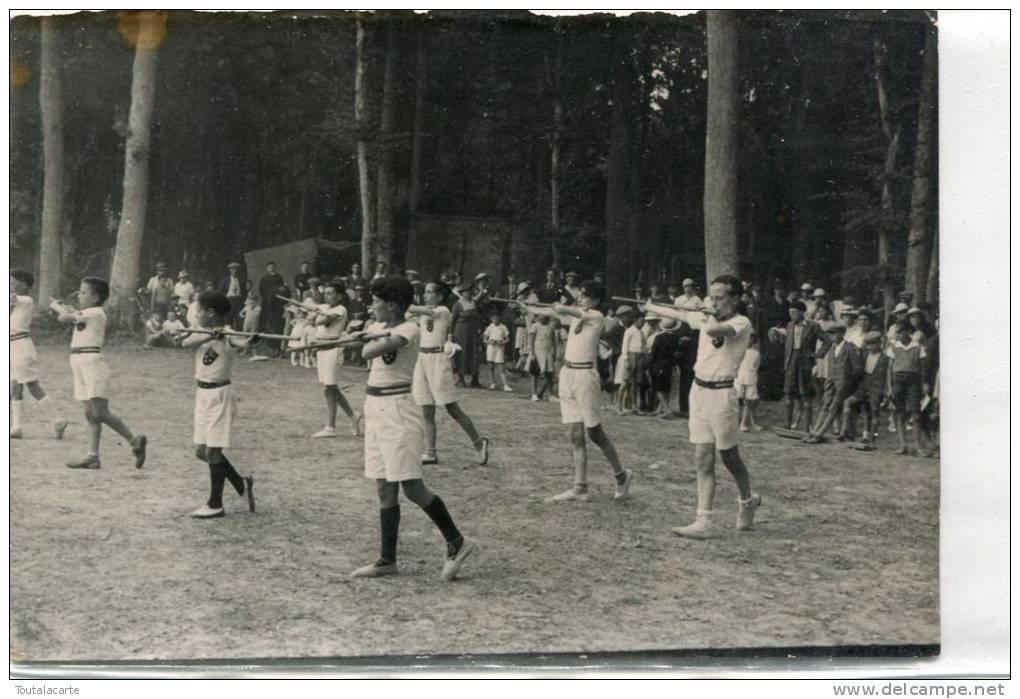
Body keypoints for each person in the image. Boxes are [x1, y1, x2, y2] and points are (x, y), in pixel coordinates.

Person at [350, 276, 477, 581]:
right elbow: (369, 341)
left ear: (392, 304)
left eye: (376, 301)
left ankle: (458, 542)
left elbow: (368, 353)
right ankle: (387, 560)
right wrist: (362, 333)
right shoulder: (380, 327)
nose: (372, 306)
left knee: (411, 487)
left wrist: (363, 338)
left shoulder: (410, 328)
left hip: (400, 410)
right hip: (376, 407)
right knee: (383, 485)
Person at [646, 276, 761, 539]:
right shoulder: (708, 317)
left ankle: (747, 500)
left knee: (729, 457)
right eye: (711, 297)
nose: (714, 302)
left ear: (735, 299)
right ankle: (703, 520)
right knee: (703, 457)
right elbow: (677, 314)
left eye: (720, 298)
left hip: (722, 396)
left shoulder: (741, 323)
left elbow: (711, 330)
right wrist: (652, 307)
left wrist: (705, 314)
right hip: (698, 392)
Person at [517, 280, 635, 503]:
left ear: (596, 300)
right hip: (567, 375)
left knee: (595, 433)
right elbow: (551, 311)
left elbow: (566, 309)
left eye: (585, 295)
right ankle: (579, 487)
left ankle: (621, 475)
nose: (580, 298)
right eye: (580, 295)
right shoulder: (575, 315)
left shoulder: (596, 317)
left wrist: (561, 307)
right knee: (574, 433)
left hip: (585, 376)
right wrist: (527, 307)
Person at [49, 277, 147, 470]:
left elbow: (64, 317)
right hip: (78, 361)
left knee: (100, 412)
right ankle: (93, 456)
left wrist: (55, 305)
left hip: (92, 363)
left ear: (95, 297)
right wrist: (66, 309)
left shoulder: (95, 312)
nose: (80, 294)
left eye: (84, 292)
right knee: (90, 414)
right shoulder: (86, 312)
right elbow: (71, 315)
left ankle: (134, 440)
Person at [176, 292, 256, 519]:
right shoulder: (202, 331)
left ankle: (215, 504)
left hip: (220, 394)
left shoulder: (229, 333)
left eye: (200, 311)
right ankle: (241, 483)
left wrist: (250, 340)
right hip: (202, 394)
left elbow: (240, 343)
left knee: (213, 451)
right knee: (201, 452)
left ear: (211, 313)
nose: (197, 314)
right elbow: (185, 343)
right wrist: (209, 335)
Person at [407, 281, 490, 467]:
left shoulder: (443, 310)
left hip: (438, 360)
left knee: (452, 407)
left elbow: (426, 312)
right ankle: (430, 452)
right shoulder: (422, 312)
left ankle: (478, 443)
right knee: (426, 408)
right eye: (425, 292)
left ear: (439, 296)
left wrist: (407, 304)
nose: (426, 296)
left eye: (430, 293)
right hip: (422, 360)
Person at [9, 268, 68, 440]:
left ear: (24, 284)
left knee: (25, 386)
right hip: (13, 346)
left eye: (13, 282)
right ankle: (21, 425)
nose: (11, 285)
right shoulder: (15, 304)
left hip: (21, 346)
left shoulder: (25, 300)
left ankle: (53, 420)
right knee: (19, 386)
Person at [308, 281, 361, 438]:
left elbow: (325, 320)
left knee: (330, 388)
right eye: (326, 293)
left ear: (339, 296)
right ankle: (353, 416)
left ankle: (331, 427)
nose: (327, 295)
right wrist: (314, 314)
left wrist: (316, 315)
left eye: (331, 293)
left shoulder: (341, 309)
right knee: (330, 388)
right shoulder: (323, 307)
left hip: (333, 349)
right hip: (321, 349)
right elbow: (312, 322)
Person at [802, 322, 862, 444]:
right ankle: (814, 432)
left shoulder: (850, 348)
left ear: (842, 334)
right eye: (830, 334)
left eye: (834, 334)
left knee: (833, 408)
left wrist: (848, 382)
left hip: (842, 385)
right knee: (825, 405)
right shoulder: (832, 349)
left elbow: (857, 369)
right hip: (831, 383)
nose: (831, 337)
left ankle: (819, 434)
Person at [770, 300, 821, 430]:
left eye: (794, 313)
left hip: (805, 363)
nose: (791, 315)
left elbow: (827, 340)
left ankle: (806, 427)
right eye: (790, 313)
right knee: (788, 392)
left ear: (802, 313)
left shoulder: (813, 326)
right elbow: (787, 342)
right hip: (791, 361)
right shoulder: (790, 325)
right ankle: (787, 424)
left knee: (805, 394)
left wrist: (816, 355)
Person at [887, 322, 933, 457]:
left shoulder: (917, 347)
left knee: (916, 414)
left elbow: (924, 368)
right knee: (900, 413)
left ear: (909, 332)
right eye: (899, 332)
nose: (901, 334)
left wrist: (924, 383)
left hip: (913, 381)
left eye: (904, 331)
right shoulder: (894, 347)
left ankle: (919, 447)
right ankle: (903, 445)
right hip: (897, 381)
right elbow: (889, 369)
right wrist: (890, 388)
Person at [842, 330, 888, 450]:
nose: (871, 347)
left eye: (873, 344)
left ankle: (873, 439)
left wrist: (885, 391)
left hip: (877, 388)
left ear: (879, 343)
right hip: (864, 386)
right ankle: (845, 431)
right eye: (868, 344)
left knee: (874, 414)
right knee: (849, 403)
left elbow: (887, 376)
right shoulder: (864, 354)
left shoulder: (885, 358)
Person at [450, 282, 485, 388]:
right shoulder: (458, 304)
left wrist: (480, 329)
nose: (469, 293)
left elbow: (479, 316)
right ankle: (461, 380)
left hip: (473, 333)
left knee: (474, 354)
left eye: (470, 291)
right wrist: (450, 334)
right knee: (462, 355)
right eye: (467, 292)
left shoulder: (474, 302)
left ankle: (475, 380)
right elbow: (452, 320)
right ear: (462, 293)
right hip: (461, 333)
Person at [648, 317, 681, 418]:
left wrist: (649, 365)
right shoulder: (676, 338)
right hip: (669, 365)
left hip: (658, 364)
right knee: (666, 388)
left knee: (657, 388)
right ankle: (660, 408)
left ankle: (666, 409)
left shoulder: (659, 337)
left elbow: (653, 352)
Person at [257, 262, 287, 357]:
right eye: (269, 267)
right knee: (269, 325)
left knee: (278, 325)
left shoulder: (279, 277)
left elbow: (283, 290)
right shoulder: (264, 278)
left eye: (272, 267)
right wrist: (268, 299)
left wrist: (277, 297)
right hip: (268, 305)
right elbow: (261, 291)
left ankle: (278, 348)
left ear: (275, 267)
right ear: (267, 268)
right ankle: (271, 348)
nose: (271, 268)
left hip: (278, 305)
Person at [735, 331, 762, 432]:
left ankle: (744, 423)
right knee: (737, 400)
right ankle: (735, 422)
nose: (748, 341)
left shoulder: (756, 353)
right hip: (739, 378)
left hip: (750, 378)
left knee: (748, 402)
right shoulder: (739, 350)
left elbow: (756, 366)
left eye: (751, 339)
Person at [528, 313, 558, 401]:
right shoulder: (535, 326)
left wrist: (555, 353)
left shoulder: (550, 327)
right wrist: (532, 353)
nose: (542, 317)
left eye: (544, 315)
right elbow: (531, 340)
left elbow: (553, 341)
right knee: (535, 373)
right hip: (537, 351)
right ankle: (534, 394)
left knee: (549, 374)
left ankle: (551, 395)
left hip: (547, 351)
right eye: (540, 315)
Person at [619, 313, 645, 415]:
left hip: (640, 356)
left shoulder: (641, 332)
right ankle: (619, 406)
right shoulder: (629, 331)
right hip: (631, 356)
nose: (642, 324)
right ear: (636, 320)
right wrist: (626, 359)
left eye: (643, 322)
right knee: (625, 382)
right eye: (641, 321)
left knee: (636, 383)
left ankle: (635, 407)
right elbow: (625, 346)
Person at [482, 311, 513, 392]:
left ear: (499, 318)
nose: (495, 320)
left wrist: (502, 342)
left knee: (500, 366)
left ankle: (505, 385)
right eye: (493, 318)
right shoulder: (490, 327)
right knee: (490, 366)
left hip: (500, 348)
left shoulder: (503, 327)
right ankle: (492, 383)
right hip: (491, 348)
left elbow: (508, 339)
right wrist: (489, 342)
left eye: (496, 318)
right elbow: (484, 339)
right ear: (491, 319)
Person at [217, 262, 247, 329]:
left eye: (236, 269)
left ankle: (239, 336)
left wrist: (242, 301)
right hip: (229, 301)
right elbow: (219, 292)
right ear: (230, 270)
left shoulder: (241, 280)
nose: (235, 271)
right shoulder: (225, 280)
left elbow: (244, 292)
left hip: (238, 302)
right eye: (233, 269)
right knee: (228, 320)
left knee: (239, 320)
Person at [239, 292, 262, 357]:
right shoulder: (247, 307)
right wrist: (242, 316)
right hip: (246, 323)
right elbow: (240, 313)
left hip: (254, 324)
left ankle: (254, 352)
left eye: (254, 300)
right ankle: (245, 350)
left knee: (253, 337)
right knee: (245, 336)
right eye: (251, 300)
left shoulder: (258, 308)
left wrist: (254, 311)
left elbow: (257, 315)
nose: (252, 302)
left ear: (256, 301)